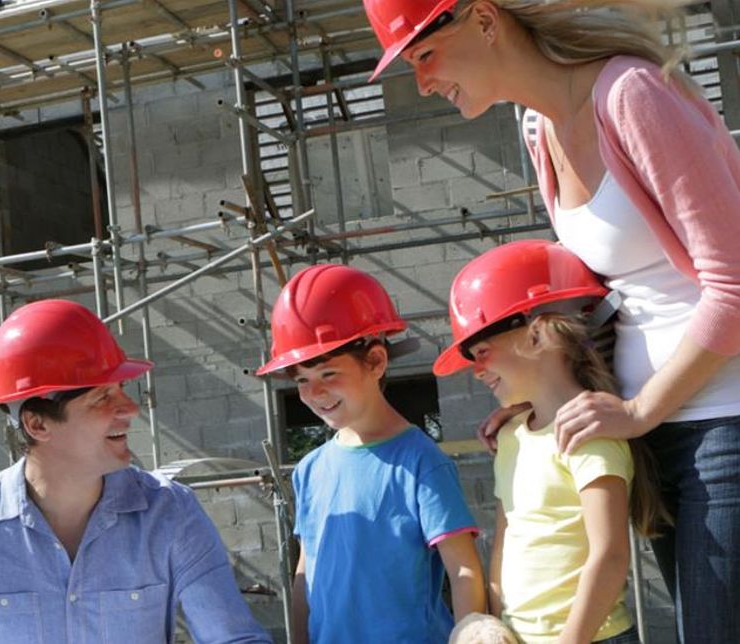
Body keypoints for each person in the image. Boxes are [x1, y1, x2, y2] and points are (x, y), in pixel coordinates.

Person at [364, 0, 740, 640]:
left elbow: (733, 284)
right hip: (654, 430)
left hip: (722, 425)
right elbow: (595, 298)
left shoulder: (631, 94)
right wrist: (542, 396)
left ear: (484, 19)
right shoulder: (538, 129)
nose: (420, 82)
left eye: (423, 54)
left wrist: (641, 409)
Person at [0, 299, 270, 643]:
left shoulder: (170, 513)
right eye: (102, 398)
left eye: (122, 389)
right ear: (38, 424)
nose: (131, 409)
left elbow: (233, 638)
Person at [435, 240, 670, 643]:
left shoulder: (590, 435)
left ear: (538, 334)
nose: (476, 371)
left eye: (483, 352)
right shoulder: (510, 436)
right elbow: (504, 543)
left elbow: (610, 557)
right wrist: (492, 624)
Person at [256, 264, 486, 643]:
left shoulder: (420, 462)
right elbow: (305, 575)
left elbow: (464, 571)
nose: (315, 393)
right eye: (302, 380)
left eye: (328, 374)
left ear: (376, 362)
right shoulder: (310, 470)